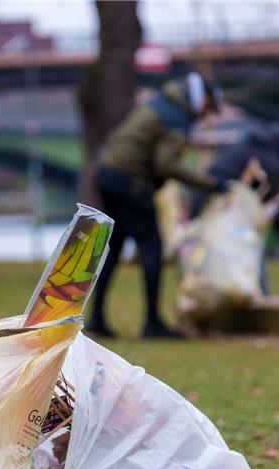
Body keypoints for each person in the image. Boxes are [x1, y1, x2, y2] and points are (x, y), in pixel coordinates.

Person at [87, 72, 226, 339]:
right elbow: (167, 164)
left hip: (108, 175)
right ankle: (152, 323)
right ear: (203, 98)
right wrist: (210, 184)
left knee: (113, 250)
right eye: (211, 107)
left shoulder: (163, 102)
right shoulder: (176, 117)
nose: (209, 115)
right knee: (152, 247)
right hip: (130, 182)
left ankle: (97, 319)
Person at [189, 116, 279, 294]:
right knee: (246, 264)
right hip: (218, 211)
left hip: (212, 205)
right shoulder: (271, 160)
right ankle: (258, 307)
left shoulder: (262, 145)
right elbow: (272, 210)